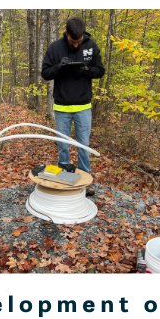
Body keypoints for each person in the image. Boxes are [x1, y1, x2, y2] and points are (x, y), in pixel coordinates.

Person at [41, 16, 105, 194]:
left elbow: (100, 70)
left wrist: (87, 71)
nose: (76, 45)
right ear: (66, 34)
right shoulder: (55, 48)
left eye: (79, 41)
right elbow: (45, 73)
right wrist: (59, 68)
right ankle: (64, 178)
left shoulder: (91, 46)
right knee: (63, 145)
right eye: (72, 41)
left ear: (83, 35)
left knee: (83, 144)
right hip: (62, 107)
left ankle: (84, 181)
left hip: (83, 106)